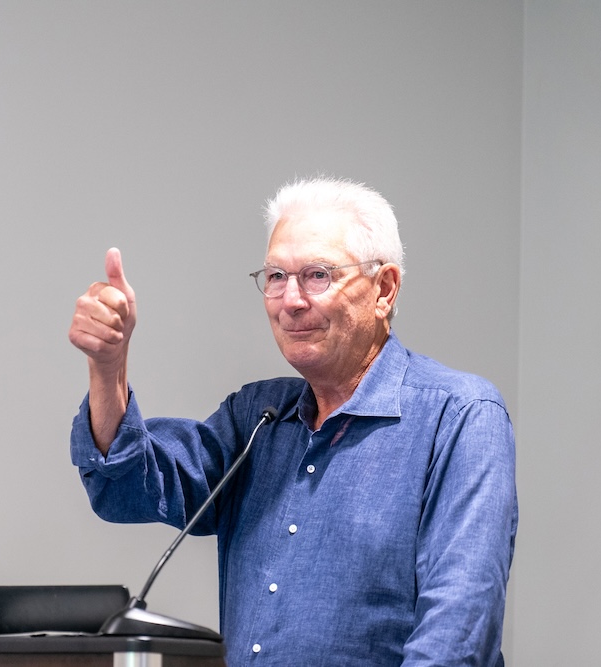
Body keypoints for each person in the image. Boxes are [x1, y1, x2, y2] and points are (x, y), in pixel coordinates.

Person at [67, 177, 518, 666]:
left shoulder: (460, 417)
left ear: (384, 289)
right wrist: (108, 368)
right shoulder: (258, 420)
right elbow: (128, 485)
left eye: (318, 274)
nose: (292, 300)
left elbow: (457, 634)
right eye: (277, 276)